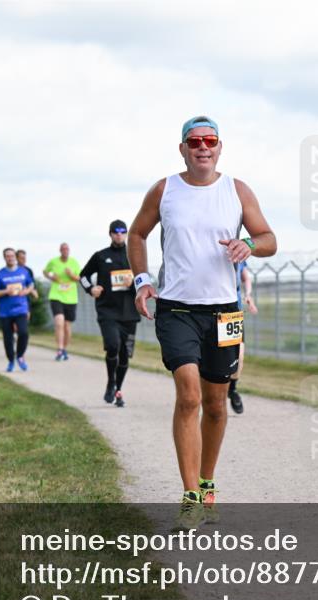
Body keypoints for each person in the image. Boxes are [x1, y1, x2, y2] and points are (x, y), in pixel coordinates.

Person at [129, 115, 277, 530]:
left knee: (215, 403)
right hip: (177, 308)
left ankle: (208, 484)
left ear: (219, 147)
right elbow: (137, 234)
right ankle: (190, 495)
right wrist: (141, 280)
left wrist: (247, 244)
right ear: (182, 149)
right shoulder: (165, 190)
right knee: (190, 396)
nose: (202, 148)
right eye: (194, 142)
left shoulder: (237, 190)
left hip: (224, 311)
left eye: (209, 141)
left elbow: (269, 239)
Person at [80, 220, 141, 408]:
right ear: (110, 234)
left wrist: (135, 283)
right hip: (107, 311)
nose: (119, 234)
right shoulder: (101, 256)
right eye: (116, 231)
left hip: (129, 313)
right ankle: (110, 382)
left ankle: (117, 389)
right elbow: (83, 276)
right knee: (113, 345)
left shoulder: (135, 255)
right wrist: (91, 289)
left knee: (125, 355)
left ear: (126, 233)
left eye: (123, 231)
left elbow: (146, 280)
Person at [0, 247, 35, 372]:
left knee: (24, 332)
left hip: (21, 308)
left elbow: (31, 284)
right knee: (8, 338)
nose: (10, 258)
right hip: (5, 311)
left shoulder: (23, 272)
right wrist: (6, 291)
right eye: (7, 256)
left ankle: (20, 356)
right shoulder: (0, 274)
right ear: (4, 258)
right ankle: (11, 360)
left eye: (12, 256)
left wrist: (27, 291)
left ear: (15, 257)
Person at [227, 259, 257, 414]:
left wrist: (248, 295)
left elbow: (245, 278)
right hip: (206, 311)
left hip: (232, 314)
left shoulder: (238, 251)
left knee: (238, 357)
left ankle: (232, 389)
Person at [43, 242, 81, 361]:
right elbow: (45, 271)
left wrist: (71, 275)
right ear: (60, 250)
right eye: (63, 249)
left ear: (69, 251)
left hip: (71, 298)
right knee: (59, 322)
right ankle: (59, 349)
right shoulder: (53, 262)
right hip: (56, 295)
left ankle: (64, 348)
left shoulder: (74, 262)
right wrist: (51, 277)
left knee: (67, 326)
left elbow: (79, 278)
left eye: (67, 249)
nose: (65, 251)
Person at [17, 249, 39, 322]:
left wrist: (34, 292)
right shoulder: (12, 270)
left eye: (25, 258)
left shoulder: (28, 270)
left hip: (25, 300)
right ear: (16, 258)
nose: (24, 260)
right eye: (21, 258)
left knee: (25, 322)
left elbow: (32, 284)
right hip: (14, 299)